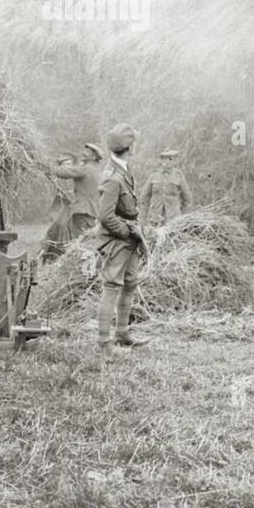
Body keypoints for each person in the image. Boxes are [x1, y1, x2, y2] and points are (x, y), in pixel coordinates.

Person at [95, 124, 149, 354]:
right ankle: (104, 342)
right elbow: (105, 216)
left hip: (129, 241)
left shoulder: (124, 170)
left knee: (129, 284)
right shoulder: (113, 177)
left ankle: (122, 332)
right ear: (128, 147)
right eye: (133, 142)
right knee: (112, 287)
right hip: (118, 241)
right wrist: (127, 232)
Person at [139, 148, 193, 226]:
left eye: (170, 159)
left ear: (174, 161)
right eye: (164, 160)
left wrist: (181, 216)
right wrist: (143, 217)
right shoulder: (154, 175)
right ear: (161, 161)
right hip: (155, 219)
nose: (166, 162)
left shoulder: (178, 175)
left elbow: (187, 198)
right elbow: (144, 197)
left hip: (173, 220)